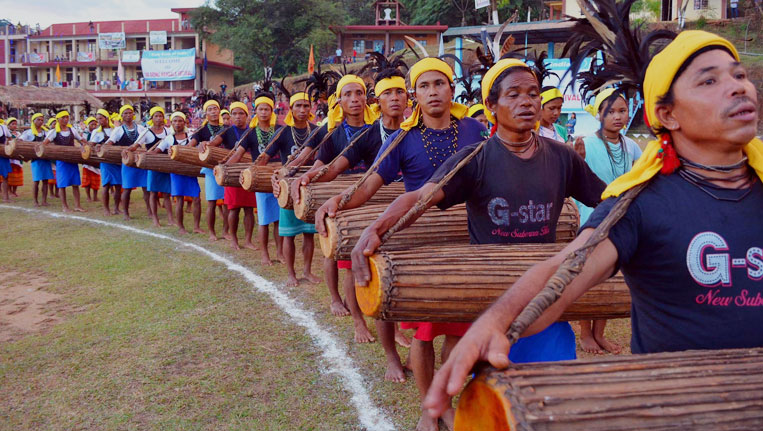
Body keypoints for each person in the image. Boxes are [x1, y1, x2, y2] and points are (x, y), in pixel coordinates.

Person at [424, 28, 763, 419]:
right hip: (680, 412)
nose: (738, 88)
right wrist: (496, 321)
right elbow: (569, 266)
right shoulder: (640, 203)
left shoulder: (564, 158)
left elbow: (592, 194)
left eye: (739, 75)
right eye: (709, 80)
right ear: (667, 114)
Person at [351, 58, 604, 430]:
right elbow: (420, 197)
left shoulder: (562, 157)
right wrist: (375, 227)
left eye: (533, 93)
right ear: (491, 107)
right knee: (495, 408)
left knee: (551, 401)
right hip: (490, 301)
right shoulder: (474, 159)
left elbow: (608, 199)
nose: (527, 102)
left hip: (546, 299)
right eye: (514, 94)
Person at [320, 57, 486, 431]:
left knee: (460, 328)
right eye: (424, 86)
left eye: (439, 84)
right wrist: (338, 200)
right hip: (422, 248)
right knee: (425, 332)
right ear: (416, 95)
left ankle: (444, 397)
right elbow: (368, 184)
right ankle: (431, 408)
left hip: (470, 243)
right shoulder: (403, 138)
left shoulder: (476, 130)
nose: (433, 92)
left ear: (452, 89)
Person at [298, 65, 412, 382]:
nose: (394, 98)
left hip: (408, 210)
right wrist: (308, 175)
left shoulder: (416, 131)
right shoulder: (362, 135)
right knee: (359, 270)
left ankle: (403, 330)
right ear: (380, 99)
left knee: (399, 274)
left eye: (399, 91)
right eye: (387, 92)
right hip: (363, 206)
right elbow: (333, 166)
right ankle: (362, 323)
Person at [574, 88, 643, 354]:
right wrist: (577, 159)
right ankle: (584, 334)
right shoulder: (586, 143)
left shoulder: (632, 146)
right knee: (584, 275)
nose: (617, 116)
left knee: (608, 277)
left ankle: (599, 333)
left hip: (621, 220)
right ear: (598, 114)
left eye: (622, 111)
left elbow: (639, 179)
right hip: (590, 219)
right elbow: (575, 178)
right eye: (610, 111)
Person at [260, 91, 322, 287]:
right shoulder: (283, 132)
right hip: (288, 190)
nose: (302, 110)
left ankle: (307, 271)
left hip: (311, 188)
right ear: (291, 109)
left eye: (306, 106)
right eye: (298, 106)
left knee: (309, 233)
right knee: (288, 233)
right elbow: (265, 157)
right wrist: (269, 174)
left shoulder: (317, 131)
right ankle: (291, 274)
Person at [226, 92, 284, 264]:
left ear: (272, 111)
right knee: (264, 219)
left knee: (279, 219)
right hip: (260, 179)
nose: (264, 112)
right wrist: (224, 166)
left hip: (278, 178)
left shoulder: (281, 131)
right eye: (260, 109)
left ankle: (280, 252)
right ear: (255, 112)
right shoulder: (251, 133)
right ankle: (265, 254)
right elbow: (238, 154)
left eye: (267, 109)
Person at [202, 101, 257, 251]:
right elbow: (213, 144)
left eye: (241, 113)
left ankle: (248, 240)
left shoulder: (253, 131)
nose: (238, 117)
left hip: (248, 174)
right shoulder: (226, 131)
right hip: (231, 173)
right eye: (234, 114)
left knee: (249, 209)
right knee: (233, 208)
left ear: (247, 115)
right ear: (230, 116)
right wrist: (206, 144)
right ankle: (233, 239)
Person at [154, 112, 204, 235]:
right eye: (175, 121)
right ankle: (181, 227)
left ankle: (196, 227)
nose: (177, 123)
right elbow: (157, 151)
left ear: (185, 122)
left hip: (190, 171)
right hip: (176, 173)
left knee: (196, 199)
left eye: (180, 121)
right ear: (171, 123)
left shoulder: (192, 136)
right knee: (179, 200)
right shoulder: (168, 138)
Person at [127, 106, 174, 227]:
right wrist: (128, 150)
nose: (159, 118)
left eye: (161, 116)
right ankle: (155, 219)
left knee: (166, 193)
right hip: (152, 166)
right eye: (156, 116)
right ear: (152, 118)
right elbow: (136, 145)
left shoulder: (168, 131)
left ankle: (170, 218)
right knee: (153, 193)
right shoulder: (146, 132)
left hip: (165, 165)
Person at [190, 100, 230, 242]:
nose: (213, 111)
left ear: (219, 111)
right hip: (210, 170)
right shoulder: (201, 131)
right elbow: (191, 146)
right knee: (212, 202)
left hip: (226, 168)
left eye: (215, 109)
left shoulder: (226, 128)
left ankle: (226, 231)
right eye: (210, 109)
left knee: (227, 202)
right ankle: (212, 232)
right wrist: (199, 146)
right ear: (205, 113)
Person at [104, 105, 150, 220]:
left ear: (133, 114)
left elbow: (149, 139)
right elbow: (110, 142)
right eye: (125, 113)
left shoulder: (141, 129)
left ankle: (150, 211)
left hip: (140, 161)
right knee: (127, 189)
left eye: (130, 113)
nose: (128, 115)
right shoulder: (118, 130)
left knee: (146, 188)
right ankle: (126, 213)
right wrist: (104, 146)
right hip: (127, 162)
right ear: (121, 115)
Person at [41, 110, 86, 212]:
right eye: (63, 117)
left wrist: (88, 145)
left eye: (67, 117)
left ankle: (77, 205)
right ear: (58, 119)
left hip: (72, 160)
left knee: (75, 184)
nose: (66, 119)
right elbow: (45, 143)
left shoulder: (72, 130)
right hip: (61, 161)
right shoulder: (54, 132)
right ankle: (64, 206)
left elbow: (81, 139)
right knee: (62, 184)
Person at [90, 109, 122, 216]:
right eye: (97, 119)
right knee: (106, 185)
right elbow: (91, 145)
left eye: (101, 118)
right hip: (105, 161)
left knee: (118, 185)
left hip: (116, 161)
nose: (99, 121)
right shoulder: (96, 132)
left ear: (107, 118)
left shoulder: (116, 129)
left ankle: (116, 208)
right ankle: (106, 209)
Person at [21, 113, 53, 206]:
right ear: (33, 121)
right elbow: (21, 141)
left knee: (46, 180)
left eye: (42, 120)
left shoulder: (46, 132)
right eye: (38, 120)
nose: (40, 122)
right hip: (36, 160)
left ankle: (44, 200)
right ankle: (35, 201)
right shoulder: (28, 133)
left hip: (46, 159)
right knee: (36, 181)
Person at [81, 116, 100, 202]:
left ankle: (95, 196)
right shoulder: (85, 134)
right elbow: (83, 144)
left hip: (96, 159)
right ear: (88, 125)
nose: (94, 126)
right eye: (92, 124)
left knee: (96, 179)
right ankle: (88, 197)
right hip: (87, 160)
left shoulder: (98, 133)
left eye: (95, 124)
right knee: (87, 180)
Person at [5, 117, 23, 197]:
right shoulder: (7, 133)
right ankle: (9, 191)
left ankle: (14, 190)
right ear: (8, 125)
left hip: (17, 157)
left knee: (17, 173)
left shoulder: (19, 134)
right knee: (10, 174)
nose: (15, 126)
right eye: (12, 124)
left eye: (15, 124)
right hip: (10, 157)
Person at [0, 118, 14, 202]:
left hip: (2, 155)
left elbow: (10, 138)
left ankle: (6, 197)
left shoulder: (3, 127)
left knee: (5, 177)